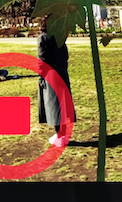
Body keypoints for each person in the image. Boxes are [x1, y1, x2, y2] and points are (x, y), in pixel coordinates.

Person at [37, 14, 75, 148]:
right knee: (62, 105)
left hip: (51, 76)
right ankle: (63, 134)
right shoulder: (60, 37)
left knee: (54, 106)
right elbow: (65, 55)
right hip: (62, 73)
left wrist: (41, 77)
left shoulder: (43, 38)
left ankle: (60, 136)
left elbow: (42, 60)